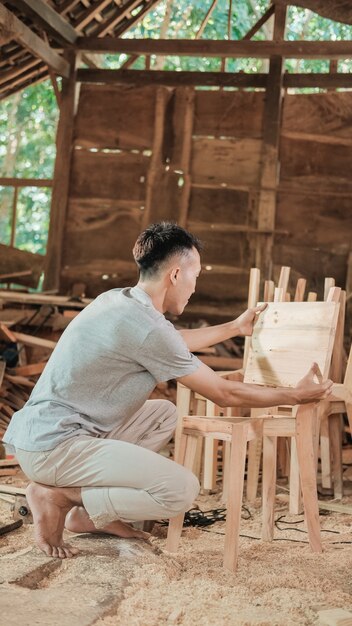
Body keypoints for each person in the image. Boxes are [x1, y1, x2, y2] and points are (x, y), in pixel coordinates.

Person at [3, 222, 333, 559]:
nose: (195, 285)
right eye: (196, 274)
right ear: (176, 275)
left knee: (163, 413)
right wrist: (294, 395)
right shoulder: (147, 328)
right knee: (181, 490)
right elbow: (223, 393)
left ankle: (88, 515)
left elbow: (170, 343)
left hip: (44, 435)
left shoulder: (120, 301)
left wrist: (235, 327)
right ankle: (59, 497)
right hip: (55, 447)